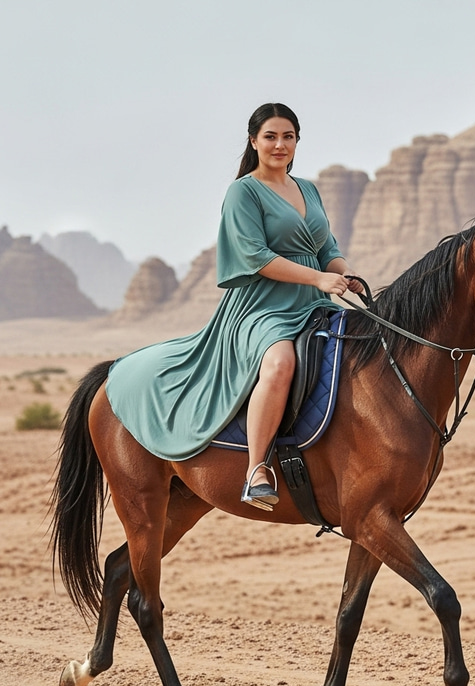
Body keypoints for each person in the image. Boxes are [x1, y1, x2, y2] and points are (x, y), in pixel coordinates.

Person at [105, 102, 362, 510]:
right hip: (262, 307)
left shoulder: (307, 189)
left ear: (297, 141)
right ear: (254, 141)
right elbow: (256, 257)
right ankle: (256, 470)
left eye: (288, 136)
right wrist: (317, 278)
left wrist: (345, 273)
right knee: (279, 364)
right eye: (271, 136)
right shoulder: (243, 191)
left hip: (312, 303)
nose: (280, 145)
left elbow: (326, 247)